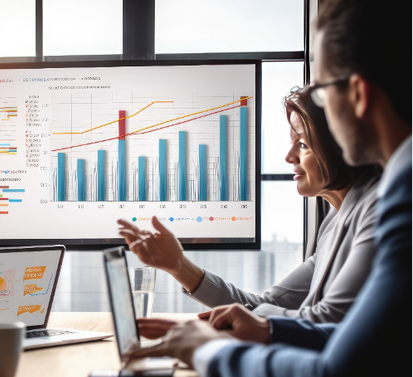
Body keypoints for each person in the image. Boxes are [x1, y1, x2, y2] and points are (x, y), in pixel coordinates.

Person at [129, 0, 413, 377]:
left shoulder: (398, 192)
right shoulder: (344, 215)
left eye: (322, 96)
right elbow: (325, 330)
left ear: (360, 94)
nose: (289, 155)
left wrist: (212, 354)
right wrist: (248, 322)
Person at [119, 89, 380, 325]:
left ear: (340, 146)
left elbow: (329, 319)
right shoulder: (335, 219)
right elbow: (269, 306)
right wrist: (178, 265)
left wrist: (241, 319)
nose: (289, 156)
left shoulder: (375, 212)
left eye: (302, 144)